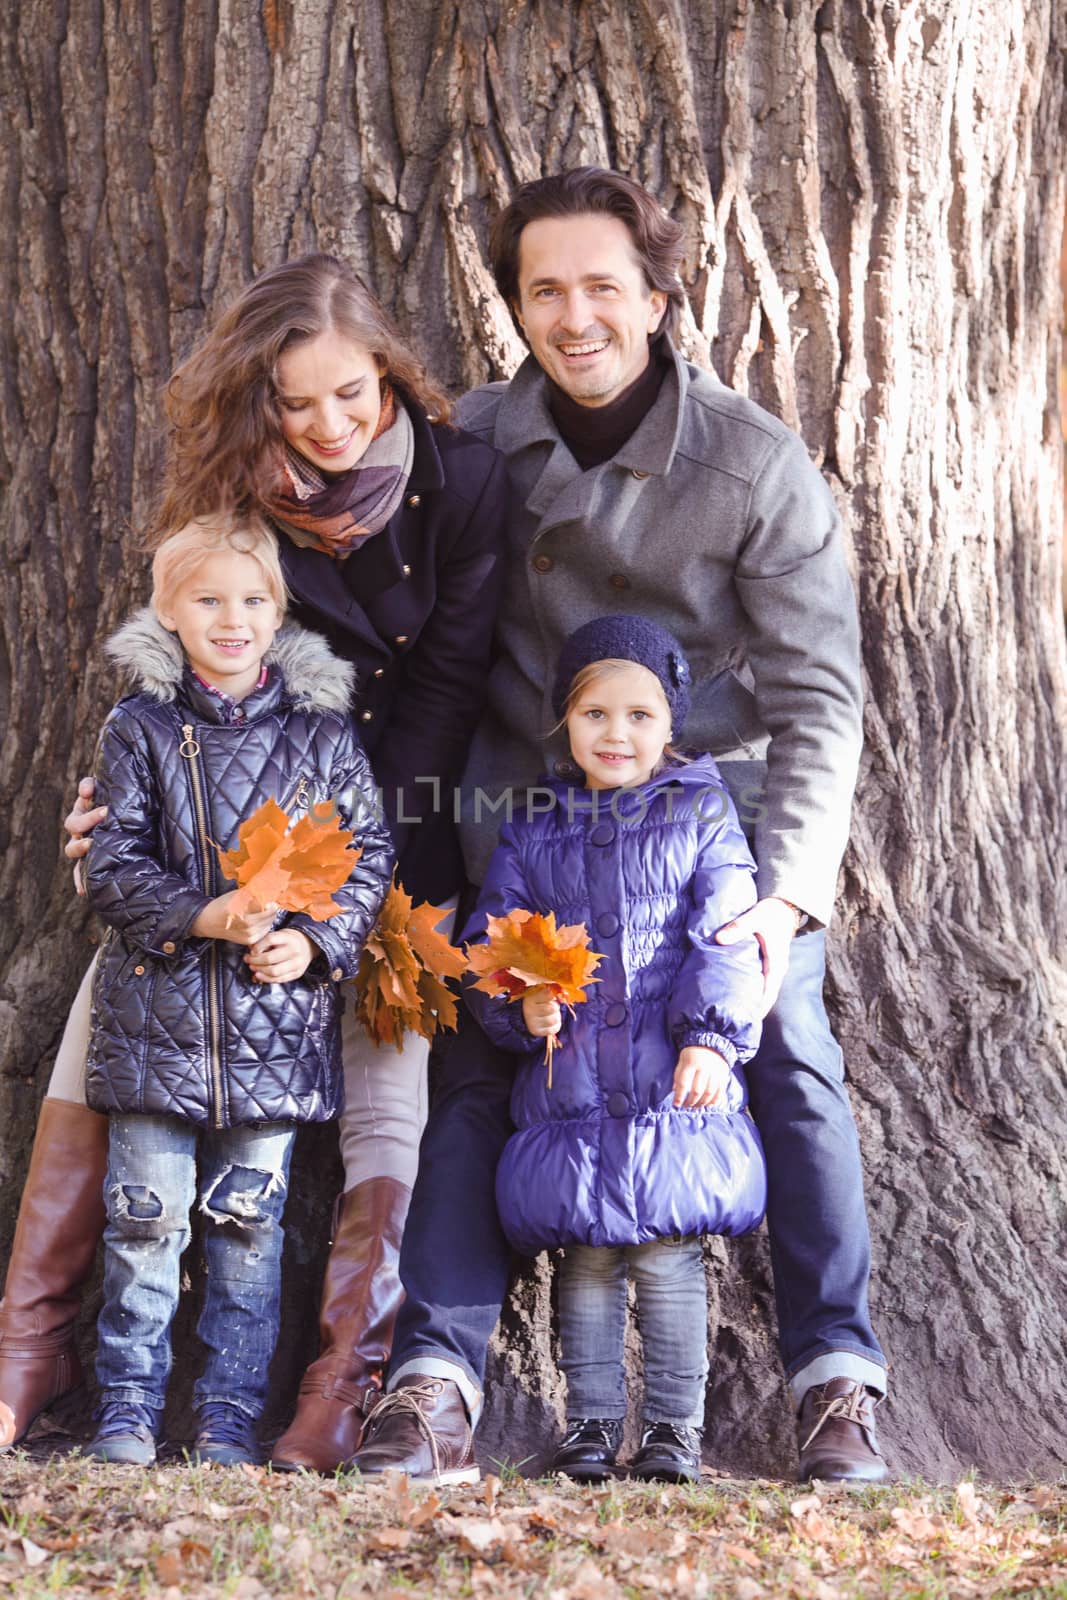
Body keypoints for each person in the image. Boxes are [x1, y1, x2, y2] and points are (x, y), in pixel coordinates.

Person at [351, 167, 889, 1486]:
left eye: (604, 286)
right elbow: (374, 627)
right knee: (476, 1070)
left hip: (712, 840)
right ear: (515, 304)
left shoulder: (750, 462)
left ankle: (836, 1377)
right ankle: (433, 1380)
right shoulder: (470, 440)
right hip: (523, 829)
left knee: (789, 1052)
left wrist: (781, 904)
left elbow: (821, 697)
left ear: (656, 296)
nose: (574, 314)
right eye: (544, 289)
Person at [0, 255, 506, 1470]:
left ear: (388, 372)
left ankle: (345, 1379)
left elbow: (443, 685)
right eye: (297, 403)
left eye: (351, 394)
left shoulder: (464, 482)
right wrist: (132, 816)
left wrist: (331, 872)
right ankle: (30, 1347)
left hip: (385, 824)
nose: (330, 426)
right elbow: (186, 671)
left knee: (392, 1081)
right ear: (258, 403)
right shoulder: (240, 493)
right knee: (108, 1024)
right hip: (210, 828)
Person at [81, 516, 393, 1465]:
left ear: (279, 611)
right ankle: (127, 1406)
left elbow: (366, 857)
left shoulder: (323, 736)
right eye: (208, 599)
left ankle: (227, 1412)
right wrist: (201, 916)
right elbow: (111, 859)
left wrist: (314, 940)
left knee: (248, 1230)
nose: (232, 619)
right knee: (142, 1223)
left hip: (274, 1028)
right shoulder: (140, 728)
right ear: (168, 613)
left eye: (253, 600)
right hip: (155, 1022)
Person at [463, 616, 766, 1483]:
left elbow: (725, 934)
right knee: (586, 1261)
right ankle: (591, 1424)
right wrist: (519, 1009)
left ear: (670, 723)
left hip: (670, 1083)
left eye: (639, 715)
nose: (617, 734)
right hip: (570, 1095)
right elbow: (496, 937)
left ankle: (674, 1430)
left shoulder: (700, 812)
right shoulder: (533, 827)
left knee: (668, 1259)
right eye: (595, 714)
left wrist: (710, 1038)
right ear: (567, 722)